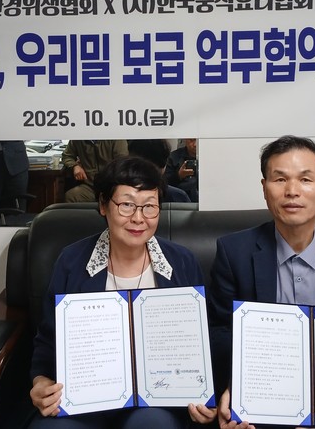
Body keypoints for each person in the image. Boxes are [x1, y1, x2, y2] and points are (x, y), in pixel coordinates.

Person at [207, 135, 315, 429]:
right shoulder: (233, 252)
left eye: (305, 179)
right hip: (264, 388)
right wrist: (233, 387)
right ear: (264, 188)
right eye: (280, 179)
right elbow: (222, 330)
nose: (292, 191)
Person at [29, 156, 216, 429]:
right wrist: (41, 383)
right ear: (103, 205)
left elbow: (200, 343)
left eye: (149, 206)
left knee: (152, 424)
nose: (138, 218)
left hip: (156, 401)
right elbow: (48, 339)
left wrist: (203, 394)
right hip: (86, 399)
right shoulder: (72, 261)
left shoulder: (181, 262)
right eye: (127, 205)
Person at [61, 140, 129, 202]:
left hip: (111, 186)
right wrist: (75, 166)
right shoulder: (78, 139)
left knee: (119, 199)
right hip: (90, 186)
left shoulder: (116, 139)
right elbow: (67, 156)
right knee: (72, 196)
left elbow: (122, 163)